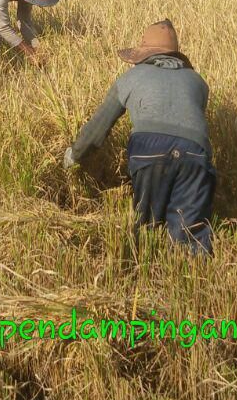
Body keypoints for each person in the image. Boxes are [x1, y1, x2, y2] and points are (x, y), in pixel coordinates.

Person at [63, 20, 215, 256]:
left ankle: (145, 268)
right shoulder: (198, 82)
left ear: (145, 55)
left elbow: (99, 126)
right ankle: (193, 272)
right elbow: (190, 125)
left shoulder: (131, 78)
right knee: (189, 231)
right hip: (195, 152)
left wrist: (75, 154)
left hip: (149, 149)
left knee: (147, 225)